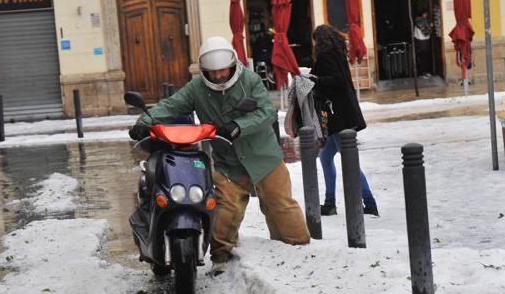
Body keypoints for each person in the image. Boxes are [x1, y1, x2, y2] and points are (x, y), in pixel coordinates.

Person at [129, 36, 310, 270]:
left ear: (232, 66)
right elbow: (172, 105)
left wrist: (238, 126)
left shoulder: (250, 80)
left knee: (280, 205)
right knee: (225, 210)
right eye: (211, 72)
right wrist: (145, 121)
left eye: (222, 71)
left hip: (263, 158)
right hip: (228, 163)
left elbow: (266, 111)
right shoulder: (197, 88)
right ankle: (220, 259)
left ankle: (299, 252)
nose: (217, 76)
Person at [309, 24, 378, 217]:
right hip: (342, 114)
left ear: (319, 40)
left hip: (340, 117)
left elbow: (336, 80)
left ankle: (370, 203)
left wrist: (316, 80)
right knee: (325, 156)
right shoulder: (337, 53)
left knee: (350, 162)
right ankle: (330, 202)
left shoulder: (327, 55)